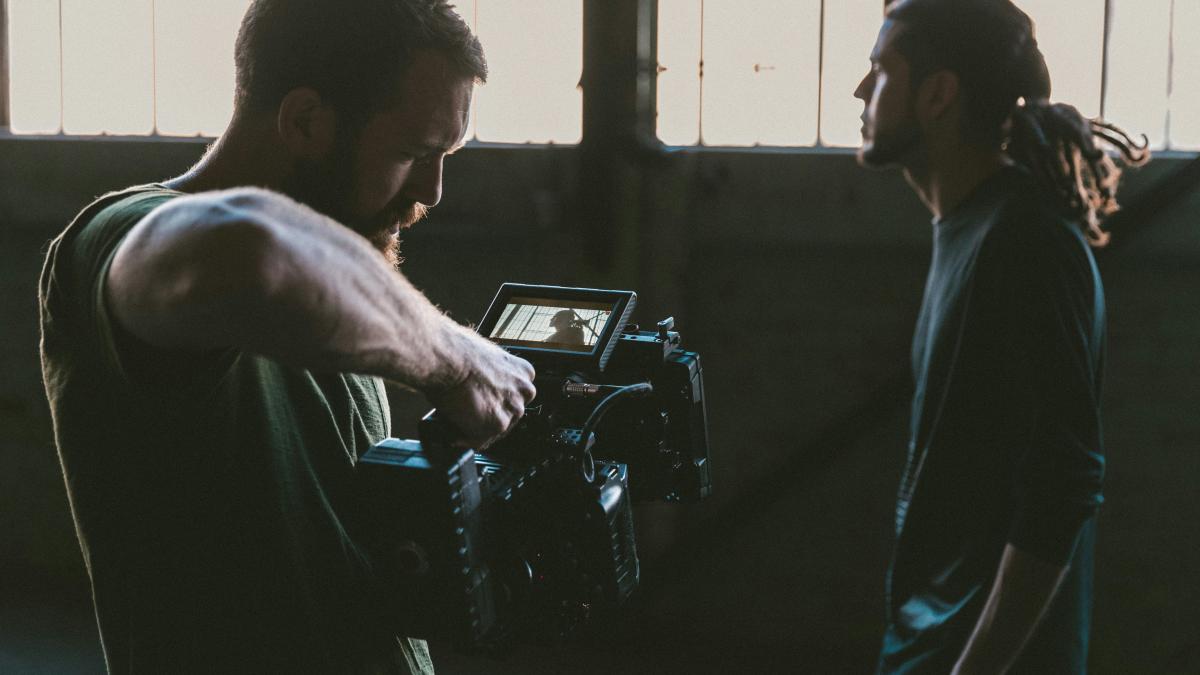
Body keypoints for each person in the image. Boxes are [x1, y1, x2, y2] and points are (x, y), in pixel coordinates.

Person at [38, 1, 537, 672]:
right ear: (304, 120)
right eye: (412, 153)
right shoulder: (117, 235)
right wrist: (459, 364)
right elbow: (252, 255)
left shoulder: (341, 274)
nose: (433, 190)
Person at [853, 1, 1147, 673]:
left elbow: (1064, 485)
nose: (862, 90)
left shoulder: (1026, 241)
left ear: (938, 93)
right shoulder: (971, 226)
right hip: (930, 639)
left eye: (880, 70)